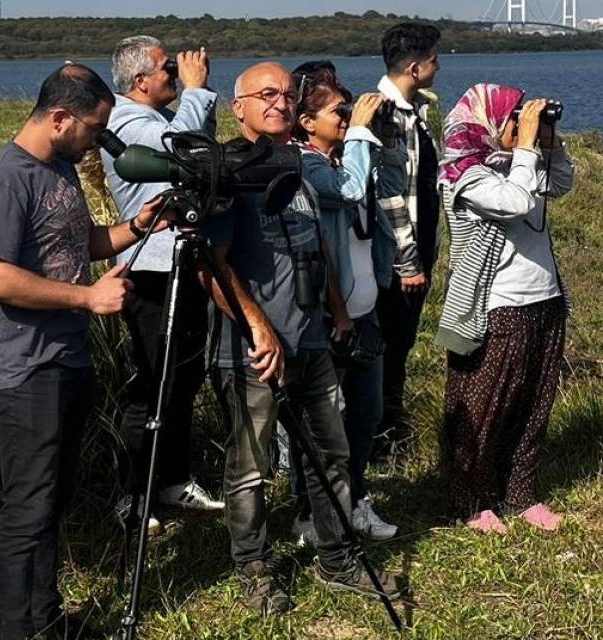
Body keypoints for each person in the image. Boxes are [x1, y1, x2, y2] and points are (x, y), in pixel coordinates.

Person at [0, 64, 168, 640]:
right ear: (59, 118)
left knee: (51, 503)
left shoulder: (58, 168)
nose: (99, 142)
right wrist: (87, 297)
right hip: (24, 369)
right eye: (94, 128)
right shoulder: (4, 178)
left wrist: (138, 226)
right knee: (27, 511)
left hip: (65, 360)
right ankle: (17, 629)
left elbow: (80, 243)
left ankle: (46, 620)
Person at [200, 61, 403, 616]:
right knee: (251, 466)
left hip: (311, 340)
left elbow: (319, 247)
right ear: (237, 106)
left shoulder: (298, 163)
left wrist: (338, 311)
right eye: (266, 95)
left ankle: (338, 559)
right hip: (252, 353)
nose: (280, 103)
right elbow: (211, 266)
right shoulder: (225, 171)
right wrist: (258, 327)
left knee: (329, 454)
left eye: (287, 95)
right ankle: (255, 569)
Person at [436, 85, 575, 534]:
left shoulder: (514, 163)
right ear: (491, 123)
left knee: (533, 405)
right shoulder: (464, 174)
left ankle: (521, 493)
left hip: (545, 299)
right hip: (495, 305)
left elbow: (561, 184)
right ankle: (472, 501)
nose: (522, 128)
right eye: (514, 120)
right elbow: (516, 201)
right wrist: (529, 147)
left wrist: (549, 143)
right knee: (482, 408)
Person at [101, 35, 222, 535]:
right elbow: (186, 153)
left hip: (183, 263)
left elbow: (203, 155)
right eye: (165, 68)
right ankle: (133, 492)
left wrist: (196, 97)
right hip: (150, 270)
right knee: (151, 384)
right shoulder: (126, 121)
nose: (175, 73)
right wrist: (196, 90)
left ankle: (171, 479)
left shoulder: (158, 118)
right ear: (139, 80)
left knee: (182, 381)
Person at [288, 62, 398, 542]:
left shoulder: (347, 155)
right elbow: (347, 191)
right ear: (307, 122)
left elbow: (385, 190)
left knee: (366, 414)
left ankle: (355, 499)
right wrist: (358, 135)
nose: (346, 118)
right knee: (320, 426)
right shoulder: (306, 166)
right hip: (329, 318)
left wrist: (378, 134)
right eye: (338, 112)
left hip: (366, 309)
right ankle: (310, 513)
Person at [373, 22, 443, 453]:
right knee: (390, 343)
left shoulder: (415, 110)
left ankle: (389, 425)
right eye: (435, 58)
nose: (440, 65)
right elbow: (389, 194)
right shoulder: (387, 115)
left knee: (401, 341)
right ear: (415, 67)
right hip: (400, 256)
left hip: (417, 249)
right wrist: (407, 259)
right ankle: (383, 432)